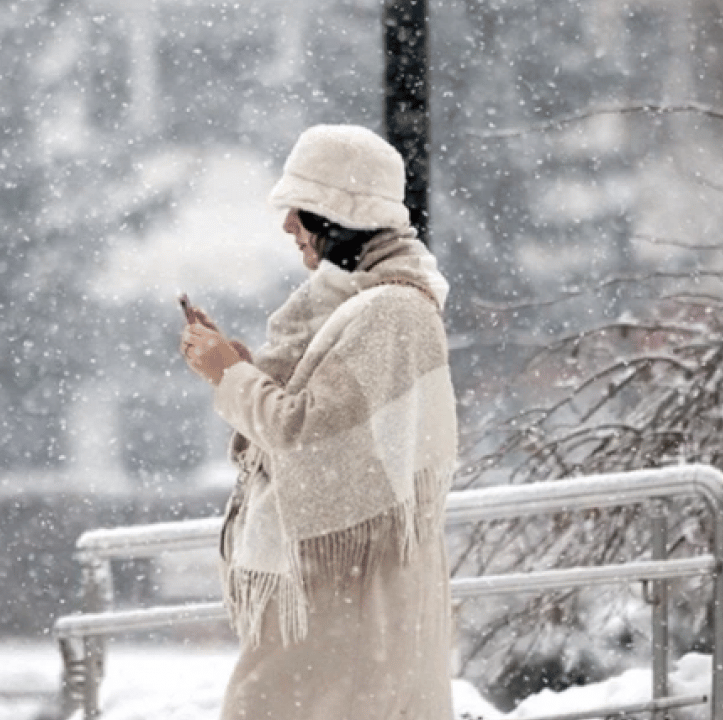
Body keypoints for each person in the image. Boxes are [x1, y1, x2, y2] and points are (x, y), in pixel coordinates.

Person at [179, 124, 459, 720]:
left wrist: (231, 376)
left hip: (351, 599)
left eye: (300, 210)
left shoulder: (390, 313)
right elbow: (326, 422)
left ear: (340, 216)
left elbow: (306, 434)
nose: (287, 226)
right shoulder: (357, 306)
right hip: (341, 593)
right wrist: (237, 368)